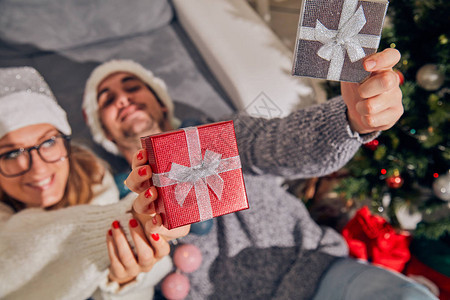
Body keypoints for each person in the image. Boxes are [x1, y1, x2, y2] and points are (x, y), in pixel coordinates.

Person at [83, 49, 437, 299]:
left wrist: (350, 119)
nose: (123, 99)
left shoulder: (223, 134)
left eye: (132, 87)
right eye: (107, 99)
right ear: (104, 131)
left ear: (160, 101)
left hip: (319, 276)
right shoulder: (114, 204)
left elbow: (282, 143)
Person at [0, 67, 189, 300]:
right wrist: (129, 218)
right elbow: (12, 247)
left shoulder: (95, 177)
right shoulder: (125, 188)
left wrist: (125, 279)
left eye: (48, 142)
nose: (38, 168)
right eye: (10, 154)